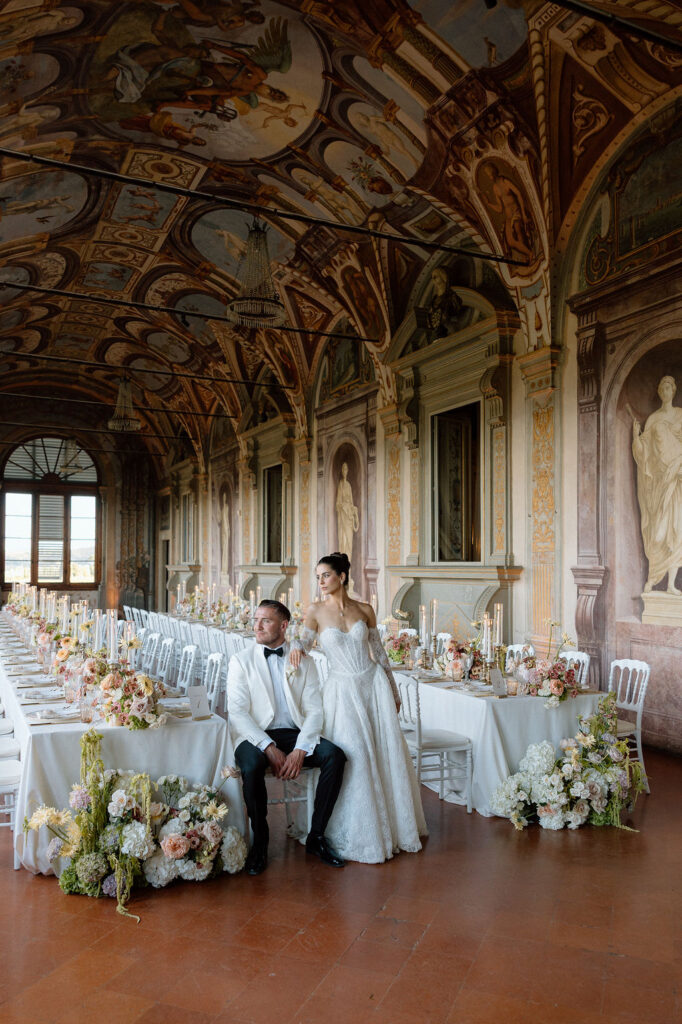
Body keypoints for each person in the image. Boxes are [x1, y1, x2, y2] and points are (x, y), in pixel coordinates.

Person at [290, 553, 427, 863]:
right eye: (318, 577)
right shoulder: (315, 611)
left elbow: (379, 653)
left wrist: (393, 690)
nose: (321, 581)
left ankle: (391, 826)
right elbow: (303, 642)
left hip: (372, 686)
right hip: (341, 692)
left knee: (381, 753)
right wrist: (296, 646)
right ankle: (352, 829)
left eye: (325, 575)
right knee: (354, 756)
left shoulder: (365, 610)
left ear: (342, 576)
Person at [227, 599, 347, 875]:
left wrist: (301, 749)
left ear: (283, 626)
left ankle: (316, 836)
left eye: (265, 621)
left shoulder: (303, 661)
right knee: (251, 766)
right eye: (256, 620)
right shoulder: (241, 661)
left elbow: (315, 711)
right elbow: (237, 713)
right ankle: (260, 840)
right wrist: (268, 747)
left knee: (335, 756)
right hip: (254, 734)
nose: (257, 626)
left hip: (294, 733)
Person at [632, 374, 682, 594]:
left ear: (674, 390)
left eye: (669, 387)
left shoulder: (680, 415)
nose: (665, 390)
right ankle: (652, 579)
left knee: (677, 531)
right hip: (659, 483)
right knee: (657, 533)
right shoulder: (652, 419)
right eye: (662, 387)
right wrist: (636, 436)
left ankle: (671, 584)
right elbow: (643, 454)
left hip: (677, 481)